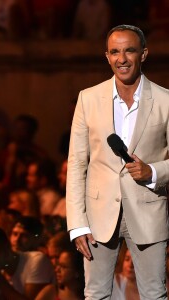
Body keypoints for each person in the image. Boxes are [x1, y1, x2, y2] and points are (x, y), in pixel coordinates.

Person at [66, 24, 169, 299]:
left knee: (154, 294)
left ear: (143, 54)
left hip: (148, 211)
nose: (121, 59)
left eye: (129, 51)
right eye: (114, 52)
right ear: (107, 56)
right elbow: (77, 164)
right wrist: (77, 223)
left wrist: (153, 171)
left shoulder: (165, 100)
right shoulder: (88, 99)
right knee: (96, 294)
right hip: (97, 215)